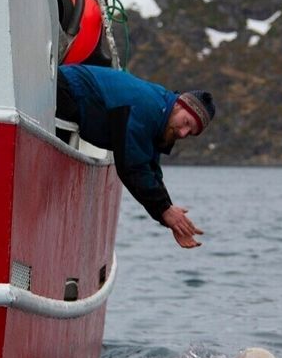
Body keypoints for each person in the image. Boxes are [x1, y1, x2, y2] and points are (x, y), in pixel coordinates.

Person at [56, 64, 216, 248]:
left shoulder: (161, 115)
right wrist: (165, 211)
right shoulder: (147, 107)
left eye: (190, 133)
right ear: (179, 105)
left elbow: (150, 168)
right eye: (186, 122)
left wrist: (170, 214)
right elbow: (132, 166)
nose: (183, 133)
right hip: (65, 89)